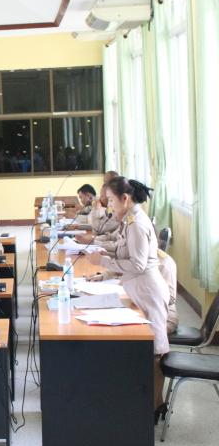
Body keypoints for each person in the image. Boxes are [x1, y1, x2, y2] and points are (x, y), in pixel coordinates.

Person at [85, 177, 170, 421]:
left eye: (111, 200)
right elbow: (124, 251)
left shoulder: (137, 224)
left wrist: (103, 261)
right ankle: (145, 404)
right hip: (138, 290)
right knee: (146, 350)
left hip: (149, 292)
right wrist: (105, 259)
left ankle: (156, 407)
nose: (109, 206)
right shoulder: (128, 221)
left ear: (125, 198)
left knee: (155, 353)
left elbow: (138, 264)